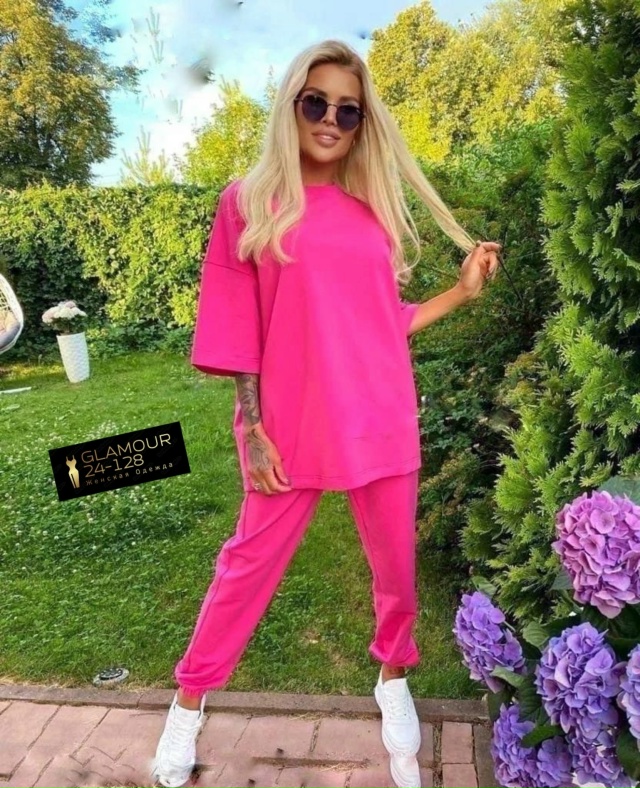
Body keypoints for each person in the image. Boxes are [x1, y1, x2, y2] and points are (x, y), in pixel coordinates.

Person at [151, 38, 500, 788]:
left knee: (396, 571)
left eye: (348, 109)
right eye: (317, 103)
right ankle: (189, 702)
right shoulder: (248, 201)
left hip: (380, 413)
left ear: (362, 122)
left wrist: (462, 291)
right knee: (247, 566)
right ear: (292, 106)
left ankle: (393, 678)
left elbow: (383, 321)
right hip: (291, 423)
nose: (330, 120)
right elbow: (236, 326)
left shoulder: (372, 211)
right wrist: (253, 427)